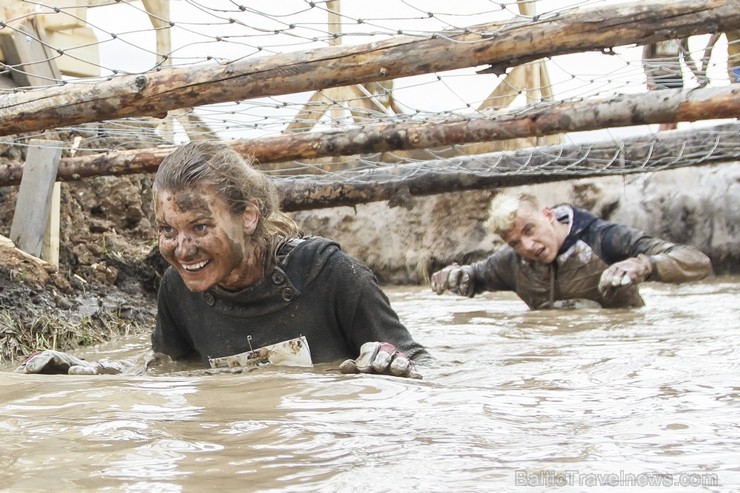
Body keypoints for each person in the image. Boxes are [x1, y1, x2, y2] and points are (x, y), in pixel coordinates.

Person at [17, 142, 428, 378]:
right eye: (167, 230)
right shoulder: (177, 291)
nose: (182, 249)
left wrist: (390, 362)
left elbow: (426, 367)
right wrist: (96, 372)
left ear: (248, 216)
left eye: (199, 227)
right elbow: (168, 372)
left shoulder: (332, 276)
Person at [431, 192, 712, 310]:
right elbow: (476, 277)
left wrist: (644, 265)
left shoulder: (603, 239)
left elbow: (697, 262)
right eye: (515, 242)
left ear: (548, 215)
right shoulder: (511, 262)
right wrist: (457, 275)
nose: (527, 246)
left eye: (530, 230)